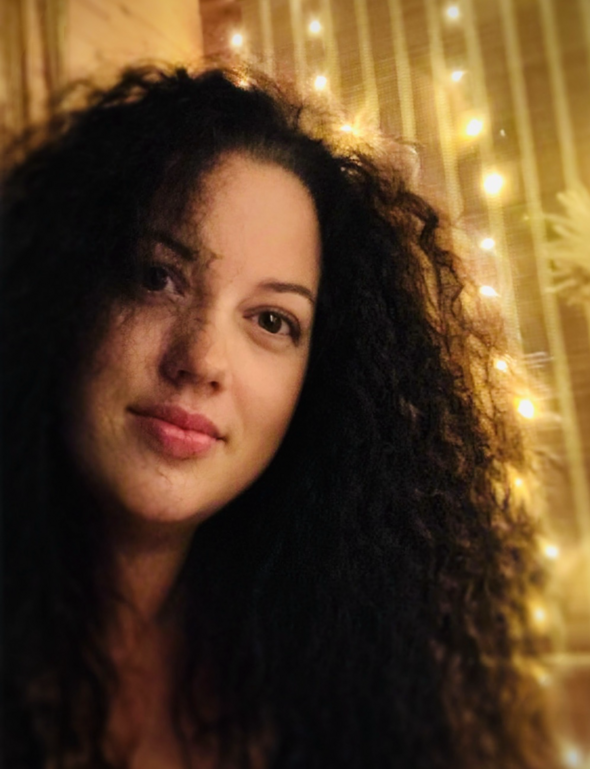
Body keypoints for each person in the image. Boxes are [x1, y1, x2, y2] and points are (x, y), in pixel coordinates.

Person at [1, 63, 557, 769]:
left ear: (316, 385)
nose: (201, 359)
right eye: (157, 277)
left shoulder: (324, 680)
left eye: (271, 320)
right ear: (64, 289)